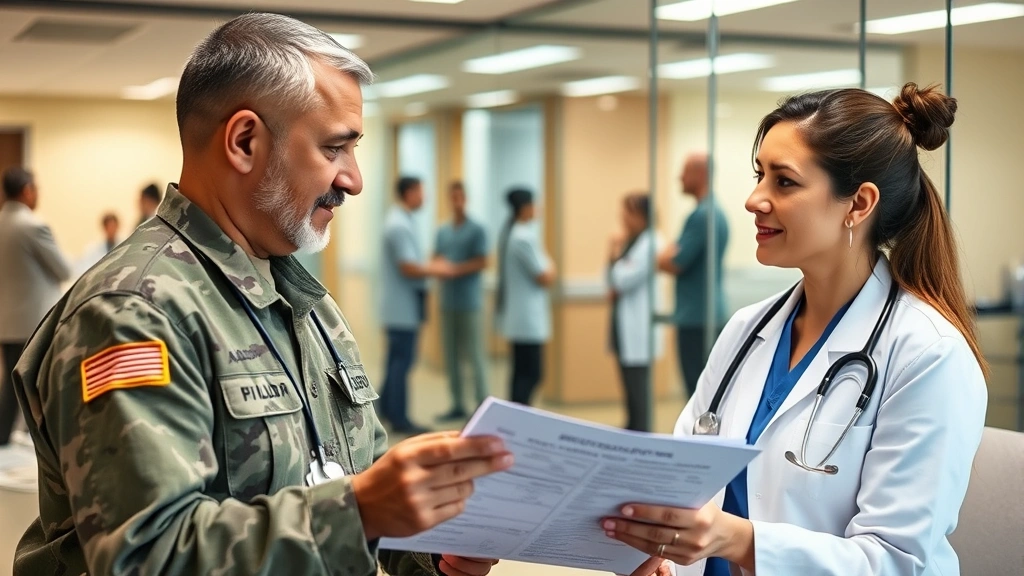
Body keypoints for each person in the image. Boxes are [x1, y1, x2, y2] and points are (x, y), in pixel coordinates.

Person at [10, 14, 512, 576]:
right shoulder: (133, 311)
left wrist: (441, 554)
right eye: (335, 149)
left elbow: (351, 489)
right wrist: (362, 511)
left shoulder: (304, 302)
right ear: (245, 141)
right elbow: (144, 557)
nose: (353, 179)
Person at [604, 83, 987, 576]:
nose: (753, 199)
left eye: (783, 182)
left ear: (858, 204)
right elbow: (686, 492)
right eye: (759, 175)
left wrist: (737, 540)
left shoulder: (928, 355)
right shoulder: (747, 330)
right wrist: (661, 561)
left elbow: (897, 560)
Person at [0, 167, 71, 465]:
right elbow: (63, 270)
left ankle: (5, 439)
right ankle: (37, 444)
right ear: (27, 190)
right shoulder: (33, 226)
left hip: (5, 319)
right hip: (32, 320)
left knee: (11, 383)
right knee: (38, 383)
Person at [380, 176, 453, 434]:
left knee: (396, 362)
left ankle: (385, 410)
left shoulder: (404, 220)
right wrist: (438, 268)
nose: (425, 197)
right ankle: (399, 419)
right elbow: (409, 267)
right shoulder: (398, 224)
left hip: (405, 307)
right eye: (421, 192)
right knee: (402, 363)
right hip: (402, 309)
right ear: (409, 192)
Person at [657, 153, 729, 398]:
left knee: (698, 392)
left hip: (696, 318)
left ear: (700, 174)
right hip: (704, 313)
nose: (680, 177)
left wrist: (665, 255)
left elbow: (672, 262)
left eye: (684, 171)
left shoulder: (702, 216)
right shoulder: (714, 213)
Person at [433, 181, 489, 421]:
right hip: (448, 301)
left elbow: (483, 261)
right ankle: (457, 403)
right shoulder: (443, 231)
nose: (457, 202)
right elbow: (435, 257)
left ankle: (482, 403)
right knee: (452, 355)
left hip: (469, 302)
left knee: (474, 354)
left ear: (466, 199)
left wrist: (456, 269)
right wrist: (439, 266)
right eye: (452, 197)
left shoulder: (477, 229)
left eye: (460, 197)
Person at [607, 193, 663, 432]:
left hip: (638, 328)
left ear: (642, 215)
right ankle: (632, 432)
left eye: (628, 212)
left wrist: (615, 251)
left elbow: (621, 279)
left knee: (638, 391)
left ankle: (641, 436)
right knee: (629, 389)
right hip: (624, 325)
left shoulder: (651, 242)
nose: (623, 217)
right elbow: (611, 279)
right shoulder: (634, 241)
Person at [497, 188, 554, 406]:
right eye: (534, 204)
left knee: (522, 371)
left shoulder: (516, 233)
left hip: (522, 318)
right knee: (531, 373)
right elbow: (545, 276)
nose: (537, 209)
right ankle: (518, 417)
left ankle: (517, 416)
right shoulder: (523, 237)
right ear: (524, 208)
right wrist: (552, 267)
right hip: (526, 319)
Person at [75, 211, 121, 276]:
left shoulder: (125, 245)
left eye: (113, 226)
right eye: (109, 226)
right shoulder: (93, 249)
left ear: (117, 226)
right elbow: (87, 268)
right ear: (104, 228)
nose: (111, 229)